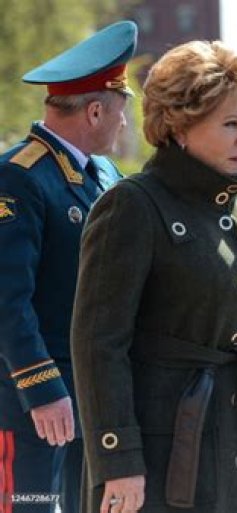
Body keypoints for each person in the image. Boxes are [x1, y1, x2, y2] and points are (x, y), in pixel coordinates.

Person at [70, 41, 237, 513]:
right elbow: (98, 345)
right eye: (231, 124)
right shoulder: (132, 204)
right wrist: (118, 459)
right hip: (161, 453)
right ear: (179, 125)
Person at [0, 21, 136, 513]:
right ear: (96, 111)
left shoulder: (106, 174)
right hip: (33, 406)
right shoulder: (18, 177)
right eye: (121, 110)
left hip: (93, 399)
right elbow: (7, 300)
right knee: (29, 507)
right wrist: (42, 389)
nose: (125, 124)